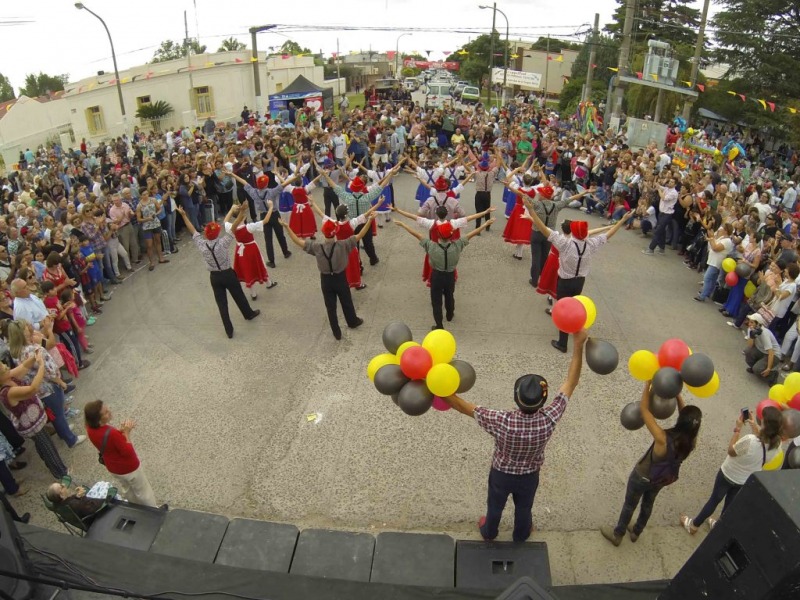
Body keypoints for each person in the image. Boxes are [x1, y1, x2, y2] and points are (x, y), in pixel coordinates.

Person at [440, 329, 588, 542]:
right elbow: (571, 382)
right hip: (529, 476)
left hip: (501, 474)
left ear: (516, 398)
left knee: (495, 506)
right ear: (543, 402)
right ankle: (521, 534)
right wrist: (578, 345)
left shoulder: (501, 420)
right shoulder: (549, 418)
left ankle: (489, 531)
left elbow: (462, 406)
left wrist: (434, 382)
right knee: (524, 508)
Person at [601, 382, 702, 545]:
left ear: (681, 421)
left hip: (642, 476)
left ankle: (617, 534)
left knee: (629, 505)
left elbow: (644, 410)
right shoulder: (692, 442)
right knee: (648, 504)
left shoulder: (663, 438)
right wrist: (677, 395)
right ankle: (636, 532)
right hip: (660, 479)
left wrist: (647, 384)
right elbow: (686, 418)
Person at [525, 208, 633, 352]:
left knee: (564, 309)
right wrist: (623, 220)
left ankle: (562, 343)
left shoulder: (565, 244)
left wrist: (532, 213)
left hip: (564, 281)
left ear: (573, 232)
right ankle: (573, 329)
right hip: (580, 281)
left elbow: (544, 229)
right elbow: (608, 235)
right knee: (574, 305)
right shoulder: (590, 244)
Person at [680, 406, 782, 533]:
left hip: (728, 474)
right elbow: (762, 444)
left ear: (765, 425)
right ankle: (718, 528)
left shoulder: (750, 440)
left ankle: (694, 526)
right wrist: (755, 427)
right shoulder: (777, 445)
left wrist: (737, 429)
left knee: (714, 500)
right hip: (742, 480)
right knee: (728, 506)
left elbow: (731, 451)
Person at [281, 214, 376, 340]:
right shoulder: (343, 245)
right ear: (335, 233)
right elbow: (360, 235)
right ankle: (352, 321)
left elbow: (297, 241)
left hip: (326, 280)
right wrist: (369, 220)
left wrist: (287, 227)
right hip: (340, 277)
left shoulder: (317, 247)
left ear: (324, 233)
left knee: (330, 307)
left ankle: (336, 332)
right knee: (346, 301)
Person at [176, 202, 261, 339]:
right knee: (238, 295)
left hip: (214, 277)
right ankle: (248, 314)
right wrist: (242, 212)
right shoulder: (222, 243)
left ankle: (229, 330)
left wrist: (184, 215)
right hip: (227, 273)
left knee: (222, 304)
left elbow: (192, 229)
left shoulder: (202, 244)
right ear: (216, 234)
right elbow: (235, 225)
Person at [395, 217, 495, 330]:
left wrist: (403, 225)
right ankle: (449, 315)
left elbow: (417, 235)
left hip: (436, 275)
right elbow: (472, 234)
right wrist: (485, 224)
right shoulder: (458, 245)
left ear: (438, 235)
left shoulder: (431, 246)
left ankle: (439, 325)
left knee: (436, 301)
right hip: (450, 275)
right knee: (449, 295)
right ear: (451, 236)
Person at [0, 351, 68, 479]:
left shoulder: (8, 377)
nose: (5, 366)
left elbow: (24, 366)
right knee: (48, 447)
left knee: (43, 445)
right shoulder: (7, 392)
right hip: (31, 426)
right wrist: (41, 366)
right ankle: (61, 473)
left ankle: (54, 467)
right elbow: (32, 389)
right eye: (2, 367)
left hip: (34, 421)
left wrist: (35, 356)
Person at [84, 400, 159, 507]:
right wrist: (127, 433)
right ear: (98, 419)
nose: (109, 412)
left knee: (128, 490)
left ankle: (135, 507)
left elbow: (108, 442)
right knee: (144, 492)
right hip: (129, 468)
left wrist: (121, 432)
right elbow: (128, 452)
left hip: (113, 468)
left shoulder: (90, 428)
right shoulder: (112, 433)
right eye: (105, 412)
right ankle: (154, 511)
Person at [223, 199, 278, 300]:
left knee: (246, 269)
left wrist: (231, 210)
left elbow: (225, 221)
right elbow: (265, 221)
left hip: (240, 250)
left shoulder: (232, 227)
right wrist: (270, 207)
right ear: (244, 217)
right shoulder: (249, 227)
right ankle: (268, 283)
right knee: (259, 264)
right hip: (251, 249)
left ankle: (253, 294)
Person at [743, 313, 782, 384]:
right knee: (747, 351)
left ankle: (772, 375)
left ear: (758, 324)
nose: (749, 324)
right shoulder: (751, 329)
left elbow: (771, 353)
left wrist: (769, 368)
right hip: (762, 350)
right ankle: (756, 367)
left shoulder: (764, 333)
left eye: (752, 322)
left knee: (757, 369)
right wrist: (752, 336)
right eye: (749, 321)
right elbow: (750, 346)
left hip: (774, 355)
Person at [643, 179, 678, 255]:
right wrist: (656, 182)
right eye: (669, 181)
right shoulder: (666, 188)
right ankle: (662, 248)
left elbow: (663, 197)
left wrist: (658, 189)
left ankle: (651, 249)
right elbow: (659, 186)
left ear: (675, 184)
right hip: (662, 213)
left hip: (667, 214)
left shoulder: (674, 193)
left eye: (672, 182)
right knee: (662, 231)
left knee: (658, 231)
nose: (670, 183)